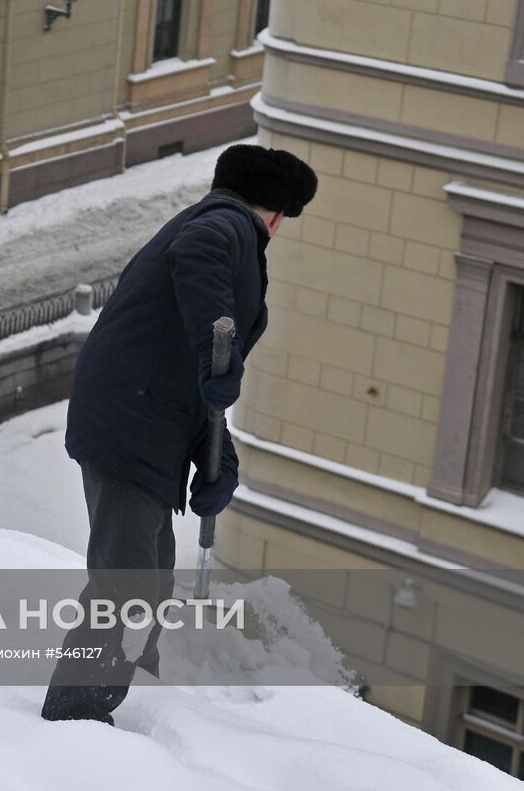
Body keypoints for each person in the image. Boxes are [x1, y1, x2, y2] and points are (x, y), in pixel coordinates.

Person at [42, 143, 317, 724]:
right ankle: (76, 715)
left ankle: (139, 694)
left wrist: (221, 460)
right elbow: (207, 331)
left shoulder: (217, 221)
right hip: (130, 422)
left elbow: (197, 375)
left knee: (152, 578)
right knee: (128, 580)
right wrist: (213, 359)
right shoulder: (225, 227)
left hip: (145, 420)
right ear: (276, 214)